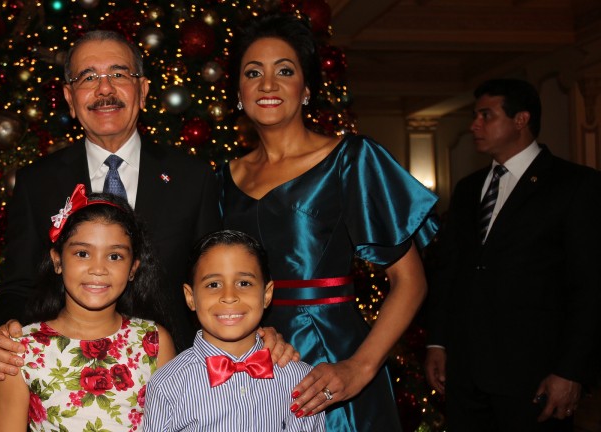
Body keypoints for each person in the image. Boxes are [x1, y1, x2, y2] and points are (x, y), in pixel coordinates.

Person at [0, 29, 294, 380]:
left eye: (119, 75)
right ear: (70, 98)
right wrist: (1, 331)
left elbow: (217, 278)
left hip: (177, 376)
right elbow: (19, 285)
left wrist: (256, 332)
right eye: (89, 78)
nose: (104, 90)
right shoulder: (36, 183)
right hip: (67, 378)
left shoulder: (193, 178)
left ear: (143, 90)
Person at [219, 14, 438, 430]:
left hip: (331, 363)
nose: (268, 85)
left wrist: (359, 368)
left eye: (285, 71)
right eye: (253, 73)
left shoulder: (351, 160)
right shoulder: (222, 178)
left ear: (306, 90)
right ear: (239, 92)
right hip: (244, 362)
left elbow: (411, 281)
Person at [424, 78, 601, 431]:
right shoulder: (468, 188)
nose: (474, 125)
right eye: (475, 115)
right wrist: (438, 341)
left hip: (534, 375)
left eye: (485, 115)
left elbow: (591, 286)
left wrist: (570, 371)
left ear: (520, 120)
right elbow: (450, 271)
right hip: (467, 375)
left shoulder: (576, 185)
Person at [0, 185, 177, 431]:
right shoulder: (20, 350)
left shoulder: (154, 342)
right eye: (82, 253)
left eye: (114, 256)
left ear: (133, 268)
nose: (98, 269)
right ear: (57, 260)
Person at [143, 230, 325, 431]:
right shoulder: (167, 385)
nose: (229, 296)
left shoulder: (301, 381)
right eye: (213, 284)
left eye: (244, 283)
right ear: (190, 297)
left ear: (266, 294)